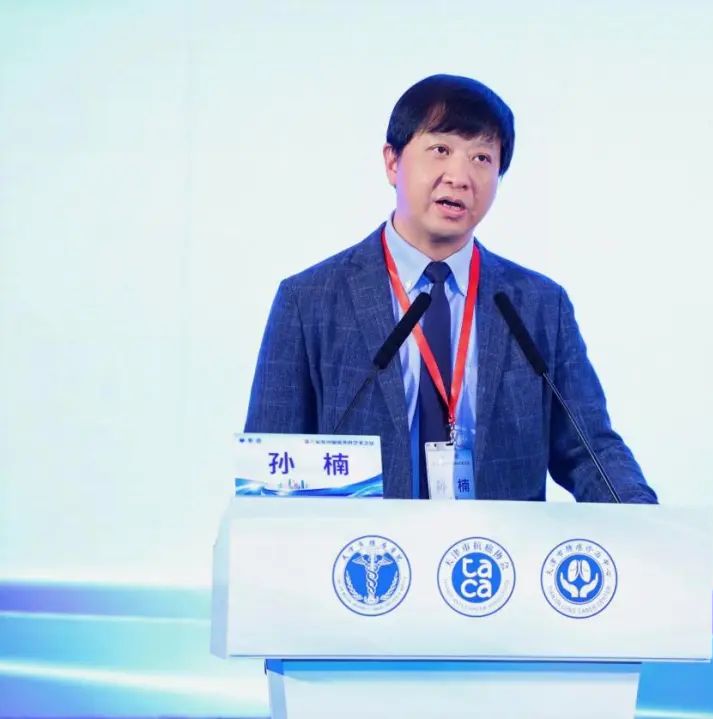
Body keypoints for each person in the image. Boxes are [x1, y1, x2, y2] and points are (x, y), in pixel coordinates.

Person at [244, 74, 657, 504]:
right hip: (365, 546)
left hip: (496, 547)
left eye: (482, 158)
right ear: (392, 162)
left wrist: (645, 519)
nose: (460, 177)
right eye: (441, 150)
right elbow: (272, 473)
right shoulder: (309, 301)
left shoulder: (538, 305)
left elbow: (590, 452)